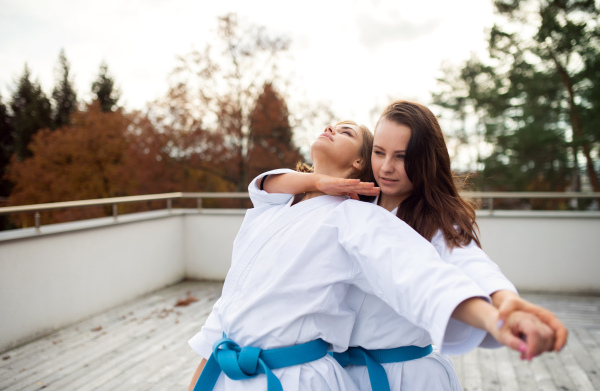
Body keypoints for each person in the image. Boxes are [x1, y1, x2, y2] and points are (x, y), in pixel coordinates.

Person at [187, 120, 554, 391]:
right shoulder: (277, 209)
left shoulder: (358, 216)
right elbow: (231, 299)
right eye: (381, 152)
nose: (388, 165)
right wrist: (316, 182)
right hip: (243, 373)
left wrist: (499, 312)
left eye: (347, 132)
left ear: (357, 165)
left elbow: (427, 274)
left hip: (314, 376)